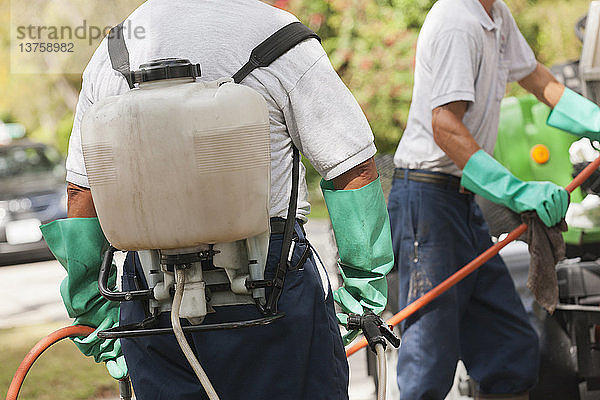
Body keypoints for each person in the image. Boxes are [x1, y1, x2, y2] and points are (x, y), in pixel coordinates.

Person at [39, 0, 395, 399]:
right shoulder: (279, 37)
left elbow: (81, 191)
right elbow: (350, 167)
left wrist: (95, 313)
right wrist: (362, 294)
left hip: (151, 297)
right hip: (270, 288)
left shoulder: (115, 50)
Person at [389, 0, 600, 398]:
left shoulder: (495, 15)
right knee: (428, 362)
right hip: (428, 200)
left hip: (461, 202)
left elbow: (539, 79)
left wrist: (596, 121)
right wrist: (517, 191)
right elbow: (444, 124)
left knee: (511, 349)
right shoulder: (457, 21)